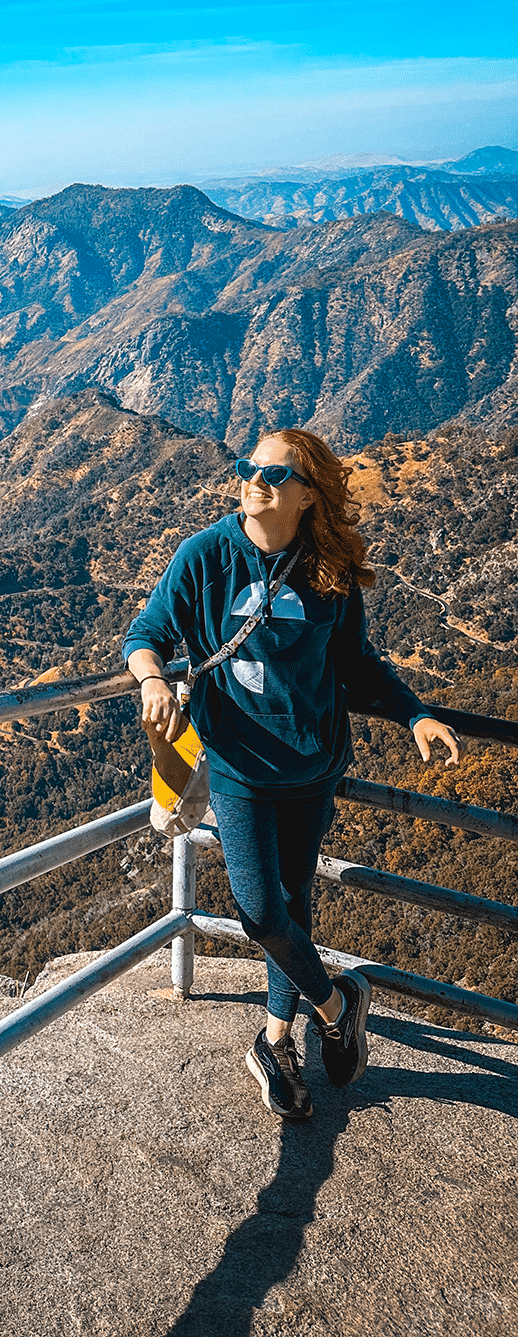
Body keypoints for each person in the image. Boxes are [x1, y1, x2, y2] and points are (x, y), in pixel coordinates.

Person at [123, 428, 460, 1121]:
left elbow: (357, 667)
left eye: (276, 475)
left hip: (311, 767)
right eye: (250, 468)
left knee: (294, 907)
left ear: (308, 496)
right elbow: (146, 631)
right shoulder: (207, 555)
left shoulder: (327, 570)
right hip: (241, 768)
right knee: (261, 911)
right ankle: (339, 1006)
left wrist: (414, 714)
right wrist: (154, 677)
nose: (257, 481)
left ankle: (276, 1041)